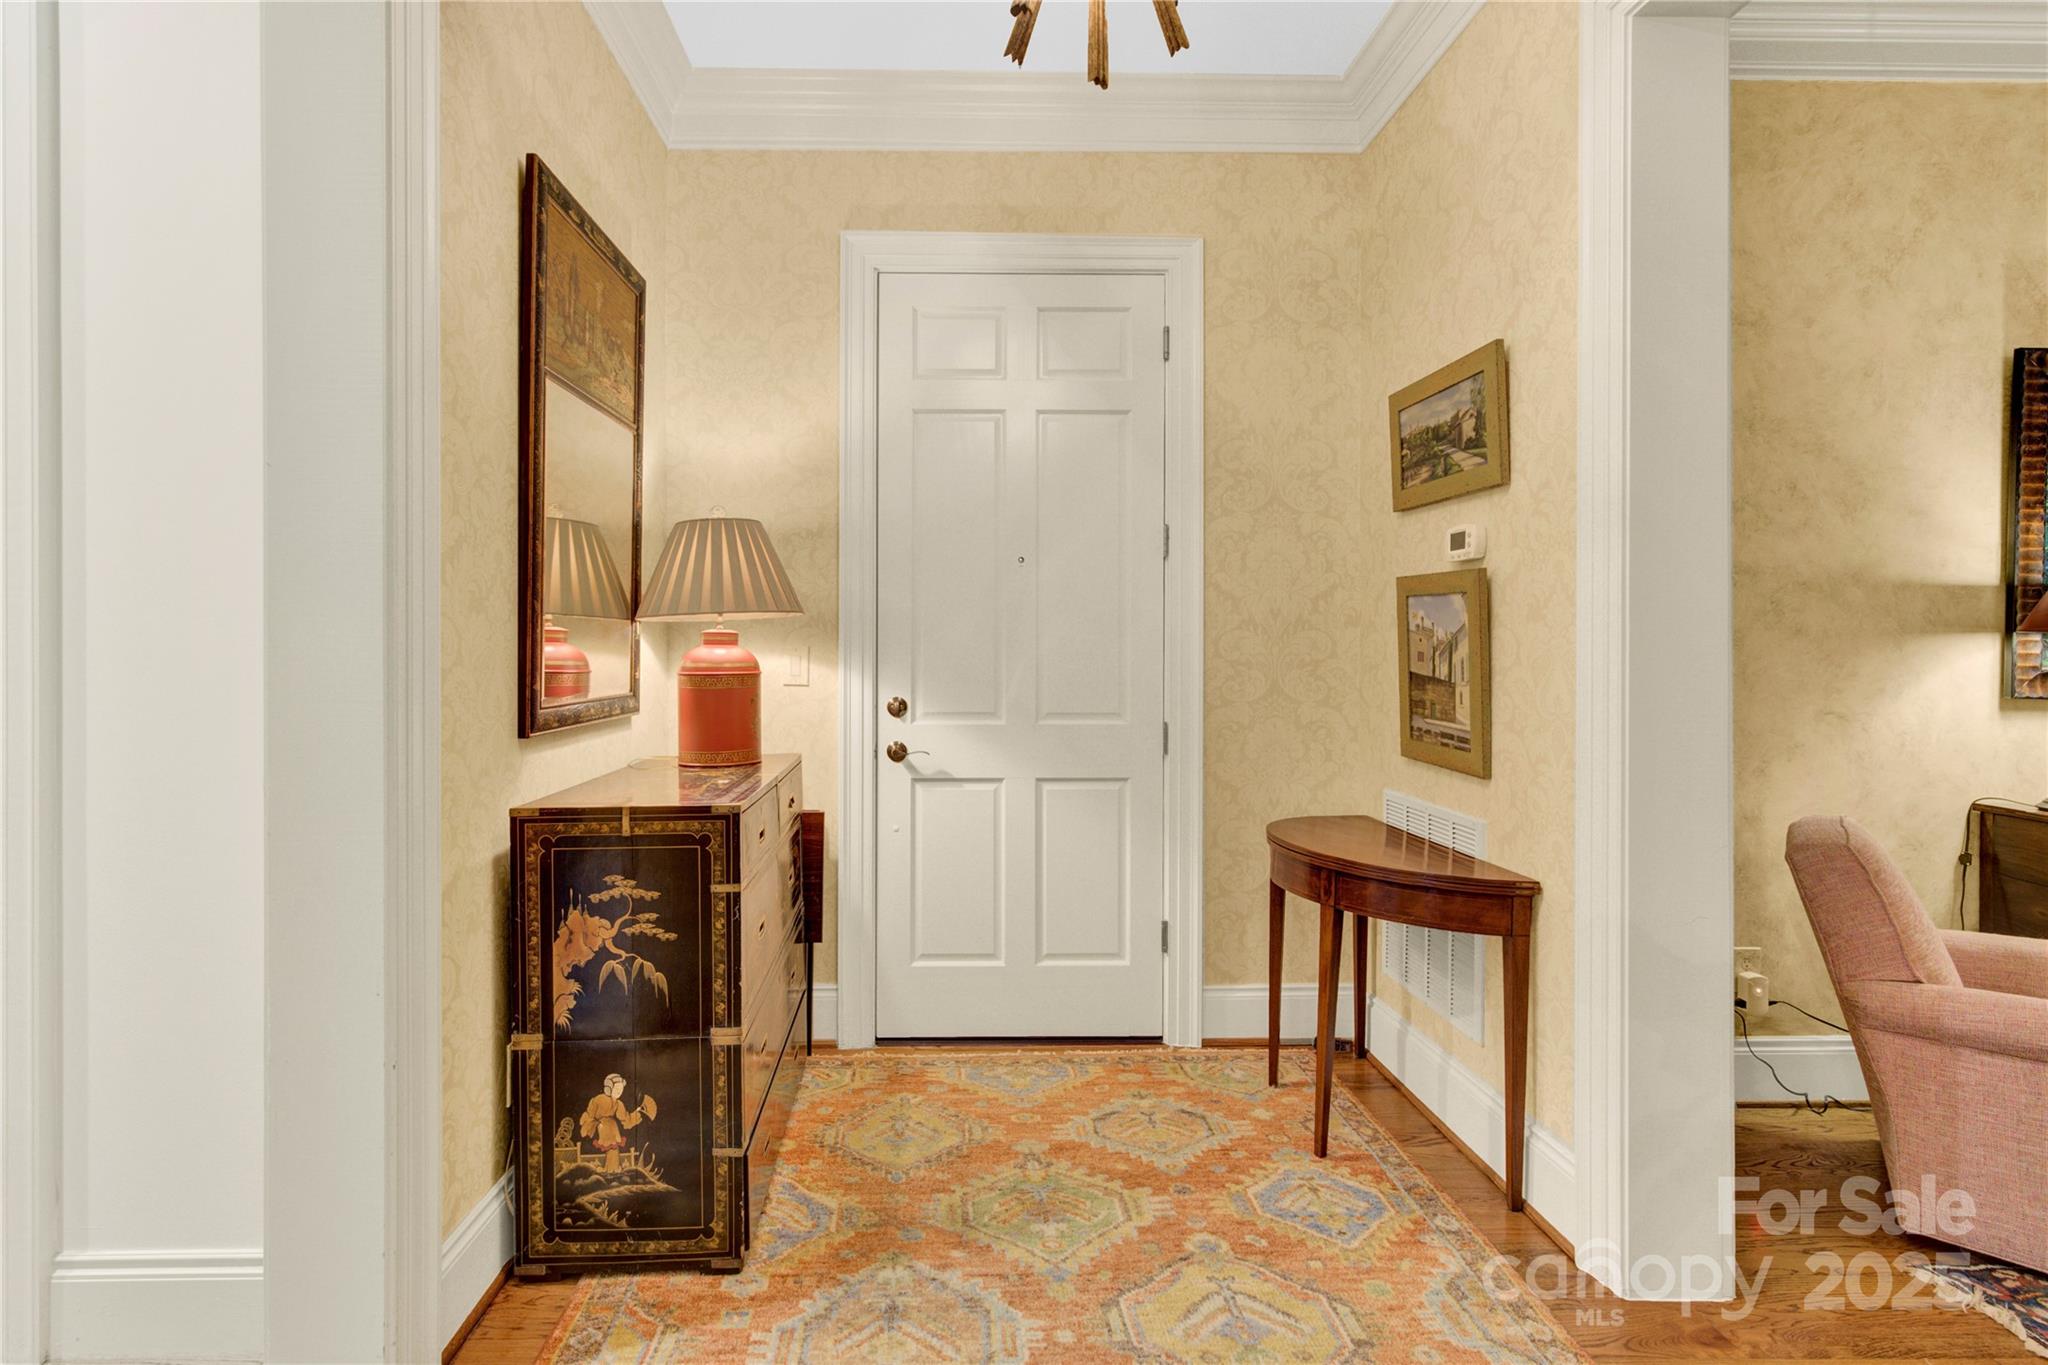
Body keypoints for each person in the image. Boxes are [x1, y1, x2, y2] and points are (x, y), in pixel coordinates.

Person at [578, 1072, 656, 1171]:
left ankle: (611, 1169)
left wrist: (637, 1113)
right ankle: (611, 1169)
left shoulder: (619, 1104)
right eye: (617, 1089)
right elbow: (590, 1114)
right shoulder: (599, 1099)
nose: (619, 1091)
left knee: (614, 1149)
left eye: (621, 1089)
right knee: (612, 1148)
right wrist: (594, 1124)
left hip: (613, 1127)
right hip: (603, 1126)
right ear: (609, 1088)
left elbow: (626, 1119)